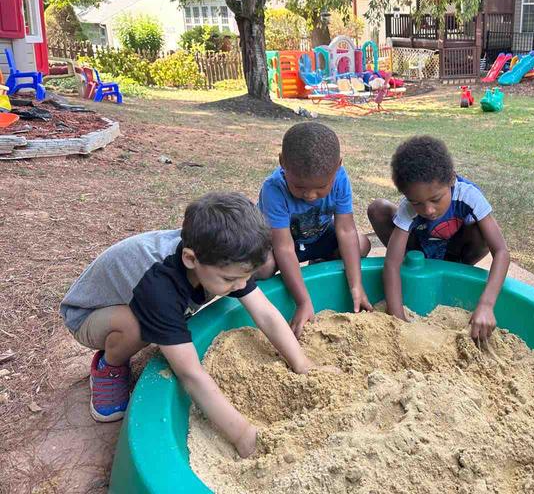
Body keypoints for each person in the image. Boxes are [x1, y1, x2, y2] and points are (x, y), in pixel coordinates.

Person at [59, 192, 314, 458]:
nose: (240, 285)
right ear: (191, 259)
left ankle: (160, 326)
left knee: (163, 319)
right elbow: (191, 374)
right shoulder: (160, 286)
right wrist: (243, 435)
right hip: (87, 315)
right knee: (137, 327)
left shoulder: (222, 257)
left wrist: (302, 364)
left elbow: (266, 313)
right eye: (230, 279)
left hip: (141, 299)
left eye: (246, 276)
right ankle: (109, 366)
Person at [367, 135, 510, 343]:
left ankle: (456, 268)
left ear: (451, 179)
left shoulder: (468, 195)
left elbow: (502, 252)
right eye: (417, 203)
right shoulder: (409, 207)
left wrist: (487, 305)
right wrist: (396, 314)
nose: (429, 210)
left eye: (436, 199)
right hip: (420, 248)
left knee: (483, 228)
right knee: (380, 207)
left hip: (455, 251)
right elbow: (392, 262)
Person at [256, 122, 371, 337]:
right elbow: (283, 247)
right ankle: (273, 292)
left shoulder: (340, 179)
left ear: (338, 167)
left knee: (362, 243)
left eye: (321, 188)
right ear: (282, 163)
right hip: (281, 244)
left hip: (318, 238)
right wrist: (303, 301)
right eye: (299, 187)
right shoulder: (274, 188)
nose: (310, 195)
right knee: (263, 266)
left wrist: (356, 286)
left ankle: (319, 266)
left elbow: (346, 230)